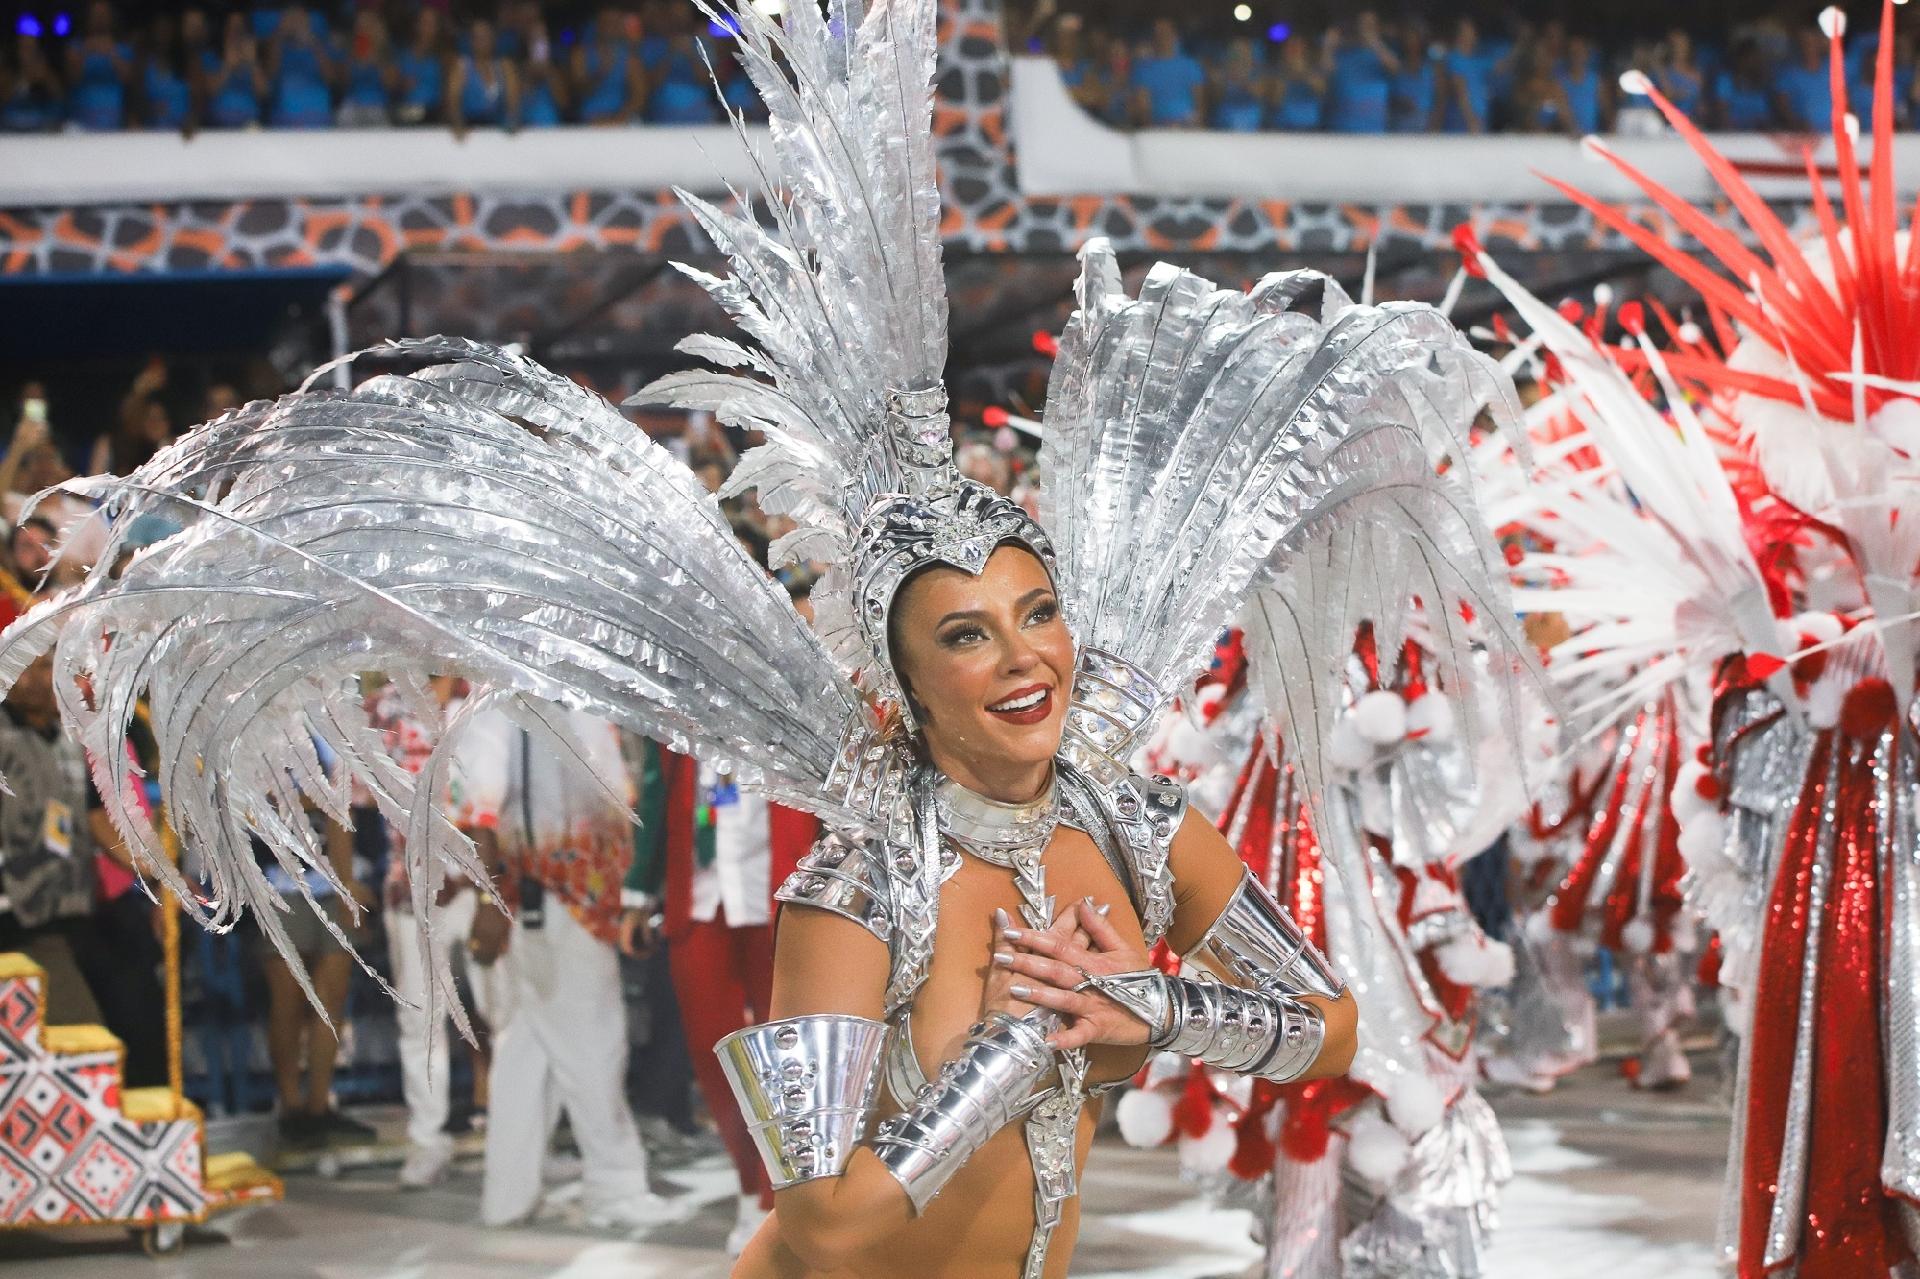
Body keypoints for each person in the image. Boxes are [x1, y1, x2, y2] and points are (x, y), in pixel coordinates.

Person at [12, 3, 1556, 1275]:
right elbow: (820, 1219)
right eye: (968, 635)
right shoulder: (857, 875)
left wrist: (1150, 1006)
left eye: (1038, 613)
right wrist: (1016, 1049)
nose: (1028, 658)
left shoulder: (1136, 818)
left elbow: (1332, 1019)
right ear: (900, 683)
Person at [456, 705, 666, 1229]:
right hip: (549, 895)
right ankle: (613, 1185)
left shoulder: (566, 698)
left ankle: (507, 1194)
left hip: (582, 897)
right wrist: (488, 903)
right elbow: (479, 810)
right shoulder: (502, 701)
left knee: (532, 1046)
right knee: (593, 1041)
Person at [624, 735, 819, 1254]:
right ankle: (752, 1186)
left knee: (790, 1055)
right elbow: (655, 792)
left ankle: (790, 1194)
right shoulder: (676, 707)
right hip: (701, 897)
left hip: (783, 889)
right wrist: (639, 891)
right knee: (714, 1053)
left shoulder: (787, 693)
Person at [359, 675, 512, 1189]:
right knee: (420, 1022)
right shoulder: (382, 710)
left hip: (482, 883)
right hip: (413, 888)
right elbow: (354, 795)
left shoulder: (488, 697)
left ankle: (512, 1135)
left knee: (504, 1011)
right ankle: (429, 1141)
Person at [0, 654, 103, 1026]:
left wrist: (157, 874)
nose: (35, 678)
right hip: (15, 917)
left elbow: (95, 817)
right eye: (22, 664)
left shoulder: (68, 738)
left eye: (45, 666)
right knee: (76, 1032)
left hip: (64, 910)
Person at [1324, 12, 1400, 134]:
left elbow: (1395, 69)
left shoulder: (1384, 55)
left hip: (1374, 128)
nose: (1365, 29)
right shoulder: (1343, 54)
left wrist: (1374, 42)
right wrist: (1328, 47)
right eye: (1362, 25)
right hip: (1342, 127)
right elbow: (1325, 75)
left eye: (1370, 25)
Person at [65, 1, 133, 131]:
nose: (100, 19)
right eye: (96, 14)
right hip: (81, 118)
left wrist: (112, 53)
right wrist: (86, 51)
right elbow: (71, 79)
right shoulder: (75, 47)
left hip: (114, 117)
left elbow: (128, 80)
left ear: (111, 17)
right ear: (88, 17)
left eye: (103, 14)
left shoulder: (123, 48)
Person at [265, 5, 335, 129]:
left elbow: (331, 79)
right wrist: (280, 33)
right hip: (284, 119)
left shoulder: (320, 47)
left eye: (299, 20)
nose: (295, 24)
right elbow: (270, 74)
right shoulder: (278, 48)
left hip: (318, 117)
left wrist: (312, 42)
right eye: (291, 20)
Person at [574, 6, 646, 125]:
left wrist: (617, 118)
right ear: (597, 25)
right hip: (589, 120)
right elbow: (577, 92)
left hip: (621, 120)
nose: (610, 28)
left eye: (615, 23)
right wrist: (600, 72)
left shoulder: (630, 59)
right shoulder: (580, 55)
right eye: (606, 23)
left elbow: (639, 97)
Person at [1130, 18, 1207, 127]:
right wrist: (1150, 129)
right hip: (1158, 126)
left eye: (1166, 33)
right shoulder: (1144, 69)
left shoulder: (1190, 65)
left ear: (1175, 36)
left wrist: (1199, 125)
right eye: (1158, 34)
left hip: (1188, 125)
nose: (1162, 38)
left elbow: (1199, 102)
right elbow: (1143, 107)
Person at [449, 17, 517, 138]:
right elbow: (453, 101)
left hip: (498, 130)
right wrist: (458, 124)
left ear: (493, 39)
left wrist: (512, 120)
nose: (482, 41)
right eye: (477, 37)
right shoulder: (462, 66)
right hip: (471, 129)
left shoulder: (505, 66)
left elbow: (513, 100)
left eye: (485, 37)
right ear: (471, 41)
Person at [335, 10, 396, 128]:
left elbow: (391, 84)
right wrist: (353, 58)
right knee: (344, 115)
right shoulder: (350, 49)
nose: (363, 30)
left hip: (378, 105)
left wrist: (377, 56)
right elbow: (342, 82)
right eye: (360, 27)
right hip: (353, 105)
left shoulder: (386, 51)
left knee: (378, 119)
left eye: (367, 26)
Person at [205, 16, 266, 130]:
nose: (236, 35)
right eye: (232, 29)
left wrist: (252, 63)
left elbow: (263, 94)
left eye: (240, 30)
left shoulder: (252, 60)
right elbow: (210, 92)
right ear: (224, 32)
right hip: (218, 126)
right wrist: (227, 66)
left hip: (249, 126)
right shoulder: (211, 58)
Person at [393, 8, 448, 126]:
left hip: (434, 112)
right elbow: (392, 84)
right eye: (424, 23)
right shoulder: (403, 55)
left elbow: (449, 90)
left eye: (431, 24)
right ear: (416, 26)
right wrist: (401, 83)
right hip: (408, 111)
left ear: (437, 28)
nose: (427, 28)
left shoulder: (444, 57)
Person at [1, 34, 65, 133]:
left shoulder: (44, 71)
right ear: (17, 50)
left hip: (38, 120)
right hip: (11, 121)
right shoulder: (7, 73)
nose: (27, 53)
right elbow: (4, 101)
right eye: (24, 48)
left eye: (31, 48)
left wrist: (46, 79)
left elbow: (60, 99)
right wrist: (21, 81)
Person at [1775, 27, 1834, 130]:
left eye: (1811, 43)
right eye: (1804, 43)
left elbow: (1846, 101)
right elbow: (1783, 108)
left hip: (1835, 136)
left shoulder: (1832, 70)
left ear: (1818, 45)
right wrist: (1798, 124)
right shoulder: (1788, 75)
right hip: (1804, 137)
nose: (1808, 47)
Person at [1713, 37, 1776, 129]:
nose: (1754, 62)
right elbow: (1722, 113)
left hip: (1761, 135)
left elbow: (1769, 117)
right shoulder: (1725, 80)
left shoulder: (1765, 83)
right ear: (1740, 59)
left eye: (1757, 58)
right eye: (1750, 58)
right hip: (1735, 135)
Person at [1269, 34, 1328, 130]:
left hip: (1313, 132)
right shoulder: (1275, 74)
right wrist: (1289, 74)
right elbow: (1275, 101)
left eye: (1297, 47)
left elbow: (1322, 92)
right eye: (1291, 48)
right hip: (1283, 132)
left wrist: (1303, 72)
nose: (1294, 52)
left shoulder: (1317, 73)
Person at [1389, 23, 1441, 131]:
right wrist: (1399, 102)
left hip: (1425, 121)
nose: (1411, 42)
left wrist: (1435, 123)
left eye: (1414, 38)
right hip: (1400, 122)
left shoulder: (1432, 66)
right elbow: (1388, 96)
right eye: (1408, 38)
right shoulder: (1395, 65)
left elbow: (1440, 98)